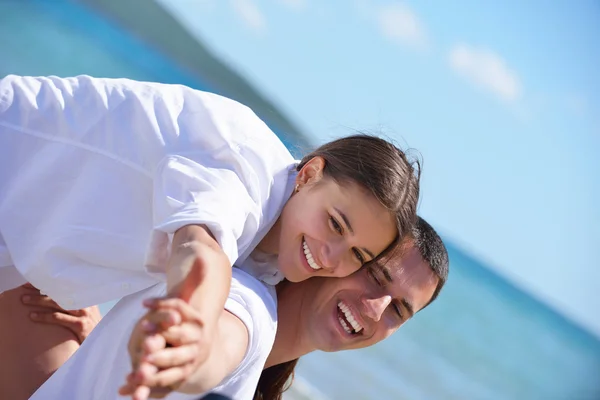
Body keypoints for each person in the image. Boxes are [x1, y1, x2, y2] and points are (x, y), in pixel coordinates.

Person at [0, 75, 419, 397]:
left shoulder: (277, 250)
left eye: (357, 254)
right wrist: (195, 324)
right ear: (309, 173)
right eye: (335, 224)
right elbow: (201, 250)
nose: (331, 257)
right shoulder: (244, 171)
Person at [22, 217, 447, 400]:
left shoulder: (269, 357)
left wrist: (103, 345)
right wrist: (185, 352)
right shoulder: (248, 307)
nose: (376, 310)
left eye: (399, 311)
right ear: (341, 255)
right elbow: (222, 341)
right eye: (375, 276)